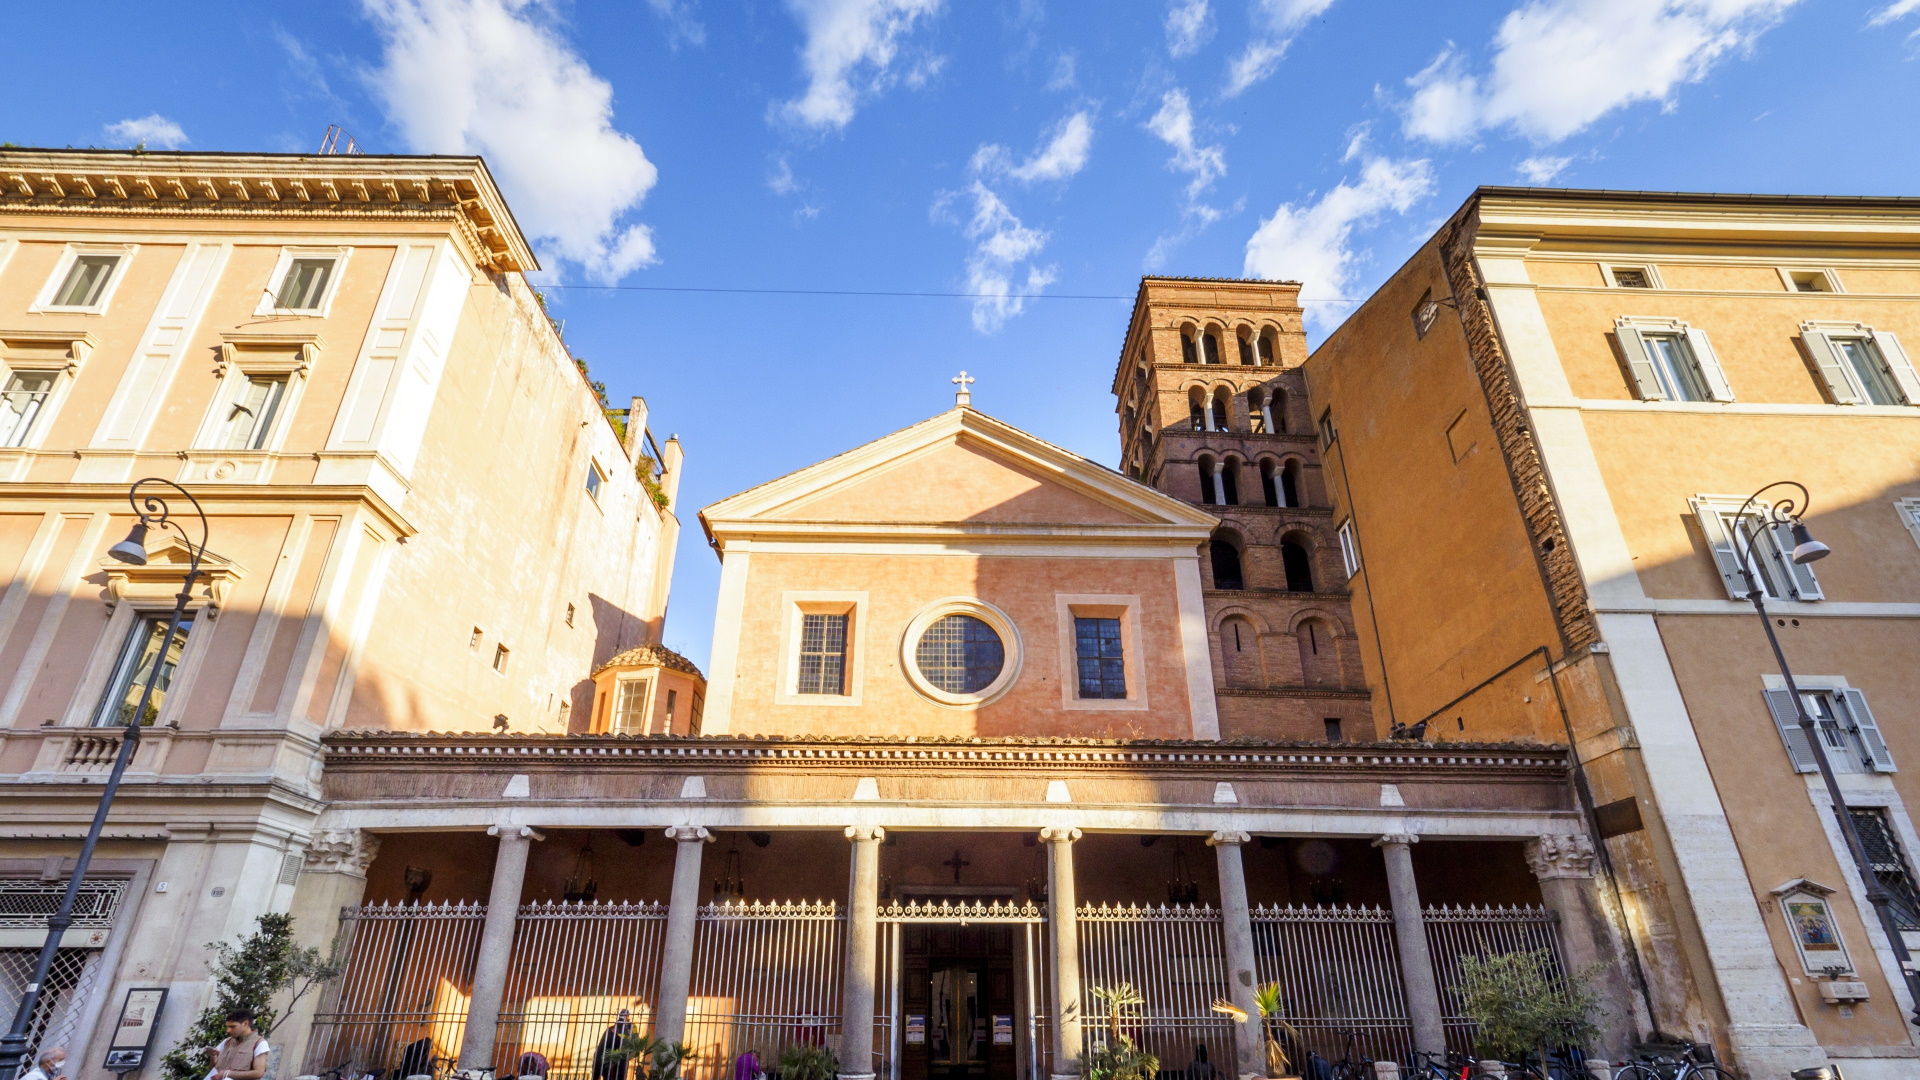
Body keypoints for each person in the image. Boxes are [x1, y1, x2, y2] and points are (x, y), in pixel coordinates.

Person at [204, 1009, 270, 1080]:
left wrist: (227, 1073)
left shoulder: (259, 1043)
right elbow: (213, 1069)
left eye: (233, 1027)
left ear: (245, 1023)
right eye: (227, 1027)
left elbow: (258, 1073)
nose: (228, 1031)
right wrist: (213, 1057)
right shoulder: (227, 1041)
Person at [591, 1008, 636, 1080]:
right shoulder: (610, 1030)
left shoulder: (629, 1030)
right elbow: (601, 1048)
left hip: (619, 1062)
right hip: (609, 1062)